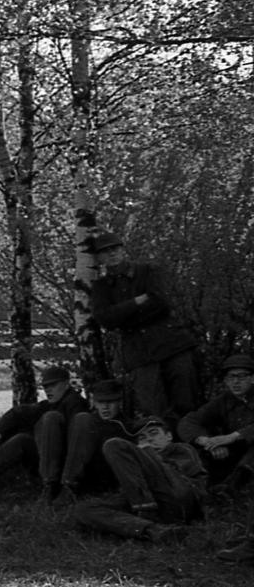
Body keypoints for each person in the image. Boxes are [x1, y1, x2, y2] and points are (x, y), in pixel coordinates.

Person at [87, 232, 201, 422]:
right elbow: (105, 318)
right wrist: (137, 301)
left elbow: (162, 303)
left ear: (122, 250)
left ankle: (190, 440)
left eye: (115, 249)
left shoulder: (148, 271)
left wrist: (121, 314)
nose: (111, 254)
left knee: (186, 401)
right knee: (153, 408)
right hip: (139, 351)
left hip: (171, 342)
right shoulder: (102, 287)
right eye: (105, 252)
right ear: (99, 258)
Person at [72, 416, 205, 544]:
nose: (149, 440)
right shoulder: (140, 460)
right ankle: (154, 530)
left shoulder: (181, 449)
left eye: (154, 433)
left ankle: (146, 511)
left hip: (179, 499)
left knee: (113, 444)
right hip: (156, 505)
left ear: (168, 436)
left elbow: (178, 476)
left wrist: (147, 452)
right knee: (84, 509)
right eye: (142, 438)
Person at [0, 365, 91, 502]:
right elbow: (18, 413)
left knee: (27, 436)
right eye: (45, 387)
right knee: (22, 439)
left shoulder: (75, 404)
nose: (48, 390)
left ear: (66, 384)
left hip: (64, 465)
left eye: (53, 385)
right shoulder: (53, 404)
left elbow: (75, 444)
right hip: (50, 461)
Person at [178, 353, 254, 495]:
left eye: (242, 376)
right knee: (197, 455)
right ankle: (199, 490)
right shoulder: (223, 400)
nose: (236, 382)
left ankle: (233, 487)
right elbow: (189, 421)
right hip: (235, 453)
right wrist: (208, 442)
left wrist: (233, 436)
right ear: (225, 380)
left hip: (249, 455)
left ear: (252, 378)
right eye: (231, 377)